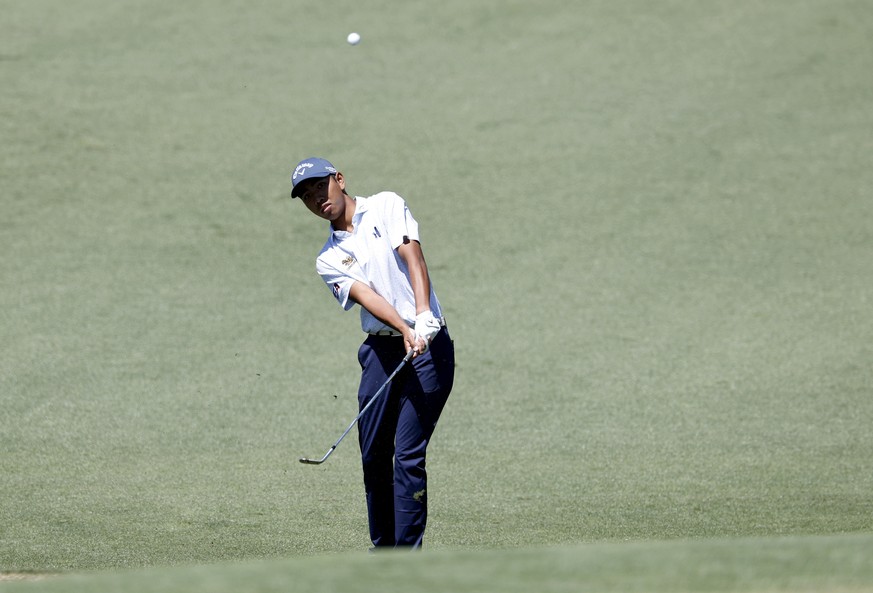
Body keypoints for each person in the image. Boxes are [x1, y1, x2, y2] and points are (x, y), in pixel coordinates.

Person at [290, 157, 455, 550]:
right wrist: (403, 326)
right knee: (374, 456)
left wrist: (423, 314)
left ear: (339, 180)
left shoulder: (386, 204)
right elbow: (366, 295)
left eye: (320, 187)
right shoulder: (328, 258)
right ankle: (383, 552)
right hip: (382, 351)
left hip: (430, 345)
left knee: (408, 456)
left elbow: (411, 254)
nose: (316, 198)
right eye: (307, 196)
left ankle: (408, 560)